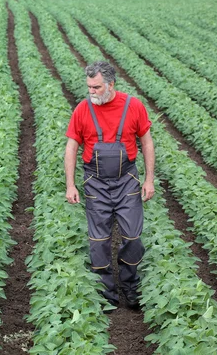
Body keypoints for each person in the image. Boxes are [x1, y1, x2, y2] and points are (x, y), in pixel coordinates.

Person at [64, 61, 155, 310]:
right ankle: (107, 293)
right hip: (95, 183)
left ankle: (130, 284)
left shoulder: (133, 106)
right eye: (89, 87)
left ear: (111, 84)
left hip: (127, 180)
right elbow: (71, 148)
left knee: (133, 237)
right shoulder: (83, 109)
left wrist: (148, 179)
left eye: (96, 87)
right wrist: (70, 185)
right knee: (98, 240)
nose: (91, 92)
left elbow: (147, 142)